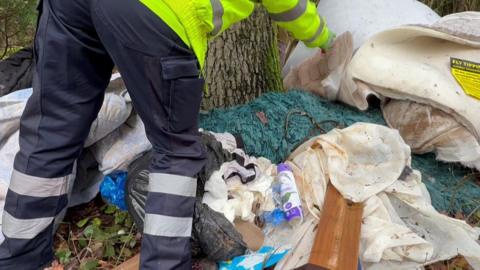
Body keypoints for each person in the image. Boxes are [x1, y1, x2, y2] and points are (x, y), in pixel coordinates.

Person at [0, 0, 334, 269]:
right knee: (175, 155)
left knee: (52, 130)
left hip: (67, 9)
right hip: (157, 12)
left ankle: (17, 256)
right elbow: (291, 6)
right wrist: (326, 42)